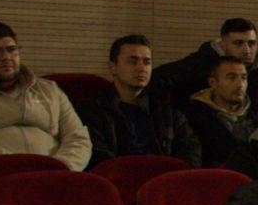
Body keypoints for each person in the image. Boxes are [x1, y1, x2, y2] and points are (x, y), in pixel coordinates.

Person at [0, 21, 90, 169]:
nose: (6, 57)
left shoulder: (49, 89)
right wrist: (21, 168)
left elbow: (78, 138)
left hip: (56, 174)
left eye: (11, 49)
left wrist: (60, 168)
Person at [77, 35, 200, 167]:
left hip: (164, 177)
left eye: (146, 62)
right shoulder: (93, 110)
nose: (142, 68)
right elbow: (98, 158)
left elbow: (191, 151)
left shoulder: (166, 110)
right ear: (113, 67)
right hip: (117, 176)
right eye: (132, 61)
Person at [156, 17, 258, 111]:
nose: (246, 50)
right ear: (223, 45)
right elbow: (160, 77)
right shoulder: (199, 65)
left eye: (251, 43)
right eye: (238, 43)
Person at [182, 56, 255, 167]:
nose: (240, 84)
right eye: (232, 78)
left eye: (244, 78)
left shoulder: (257, 114)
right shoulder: (194, 116)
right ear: (213, 82)